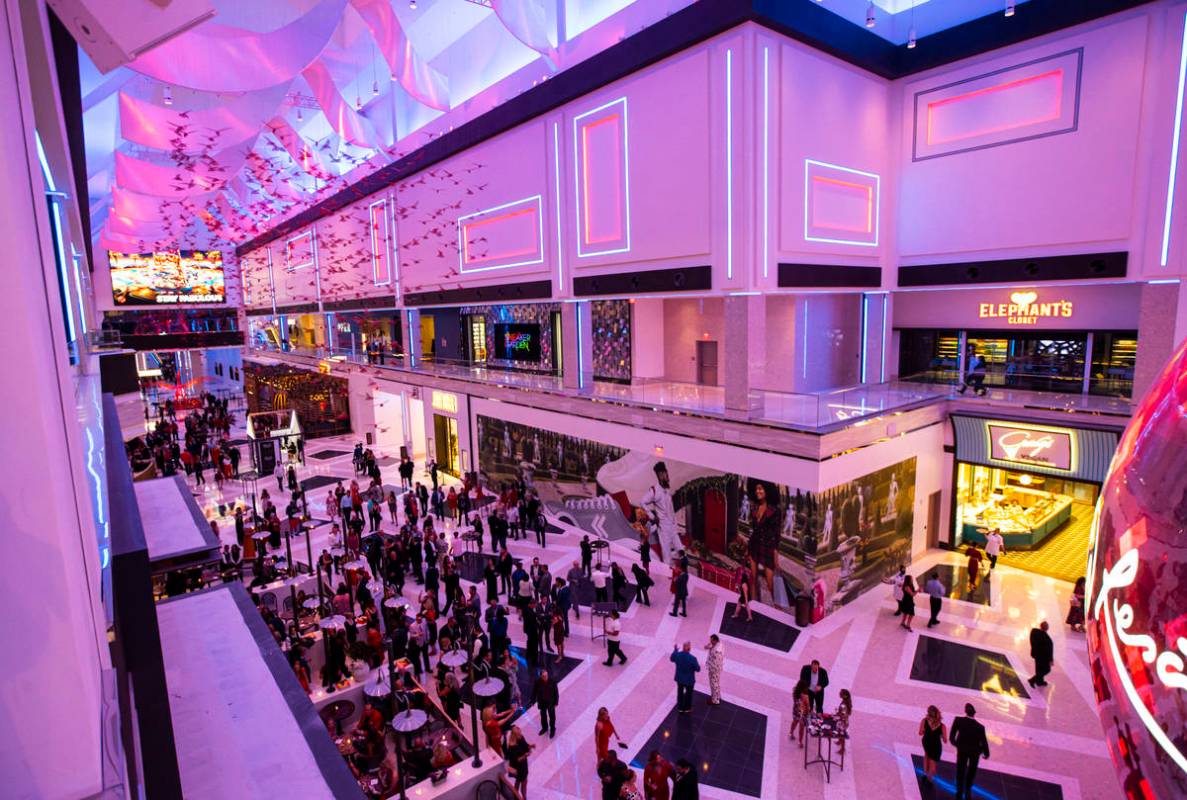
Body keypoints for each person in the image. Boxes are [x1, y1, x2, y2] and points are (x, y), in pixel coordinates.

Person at [642, 462, 682, 565]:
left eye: (666, 473)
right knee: (666, 555)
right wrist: (652, 516)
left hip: (673, 526)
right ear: (659, 475)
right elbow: (642, 502)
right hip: (663, 527)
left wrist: (675, 522)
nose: (665, 475)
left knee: (681, 550)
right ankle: (667, 577)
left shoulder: (667, 488)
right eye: (663, 474)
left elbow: (670, 508)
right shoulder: (654, 491)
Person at [949, 703, 990, 800]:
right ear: (974, 714)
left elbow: (952, 735)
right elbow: (984, 741)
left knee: (960, 769)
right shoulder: (980, 727)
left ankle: (959, 790)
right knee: (972, 769)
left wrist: (956, 744)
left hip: (962, 749)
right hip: (974, 752)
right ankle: (968, 788)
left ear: (965, 711)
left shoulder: (958, 720)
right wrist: (986, 753)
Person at [919, 705, 948, 785]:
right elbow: (945, 740)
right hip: (936, 745)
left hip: (926, 742)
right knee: (933, 762)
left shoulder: (924, 721)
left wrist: (926, 731)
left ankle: (925, 774)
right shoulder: (942, 726)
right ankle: (929, 778)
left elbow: (920, 733)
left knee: (926, 755)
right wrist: (941, 736)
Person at [670, 642, 700, 713]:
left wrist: (675, 650)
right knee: (688, 694)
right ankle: (687, 708)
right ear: (689, 649)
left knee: (680, 692)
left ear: (683, 648)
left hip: (679, 679)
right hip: (689, 680)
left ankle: (680, 708)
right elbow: (698, 669)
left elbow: (672, 658)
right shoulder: (693, 659)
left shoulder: (678, 655)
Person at [505, 725, 533, 798]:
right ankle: (523, 797)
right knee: (524, 782)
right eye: (519, 734)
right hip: (519, 767)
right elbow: (516, 760)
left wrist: (530, 746)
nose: (521, 734)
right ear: (514, 736)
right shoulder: (512, 747)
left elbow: (525, 745)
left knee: (519, 781)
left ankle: (516, 795)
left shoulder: (520, 737)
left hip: (523, 765)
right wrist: (525, 755)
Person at [1028, 620, 1054, 688]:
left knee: (1039, 669)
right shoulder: (1047, 639)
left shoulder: (1034, 632)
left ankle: (1040, 682)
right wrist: (1051, 660)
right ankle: (1032, 680)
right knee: (1046, 670)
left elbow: (1032, 641)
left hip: (1036, 654)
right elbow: (1049, 651)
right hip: (1043, 657)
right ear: (1047, 628)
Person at [788, 679, 810, 746]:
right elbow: (807, 706)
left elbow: (795, 701)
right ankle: (800, 742)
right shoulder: (805, 696)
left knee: (794, 721)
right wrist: (808, 712)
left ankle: (791, 733)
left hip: (796, 709)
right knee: (801, 727)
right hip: (802, 712)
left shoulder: (794, 691)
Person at [704, 634, 724, 705]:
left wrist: (711, 669)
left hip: (714, 669)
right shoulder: (720, 644)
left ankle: (715, 700)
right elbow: (707, 647)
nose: (710, 642)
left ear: (715, 640)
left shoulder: (717, 651)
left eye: (711, 640)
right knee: (717, 682)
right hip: (717, 668)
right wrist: (709, 646)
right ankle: (718, 696)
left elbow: (716, 661)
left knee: (713, 684)